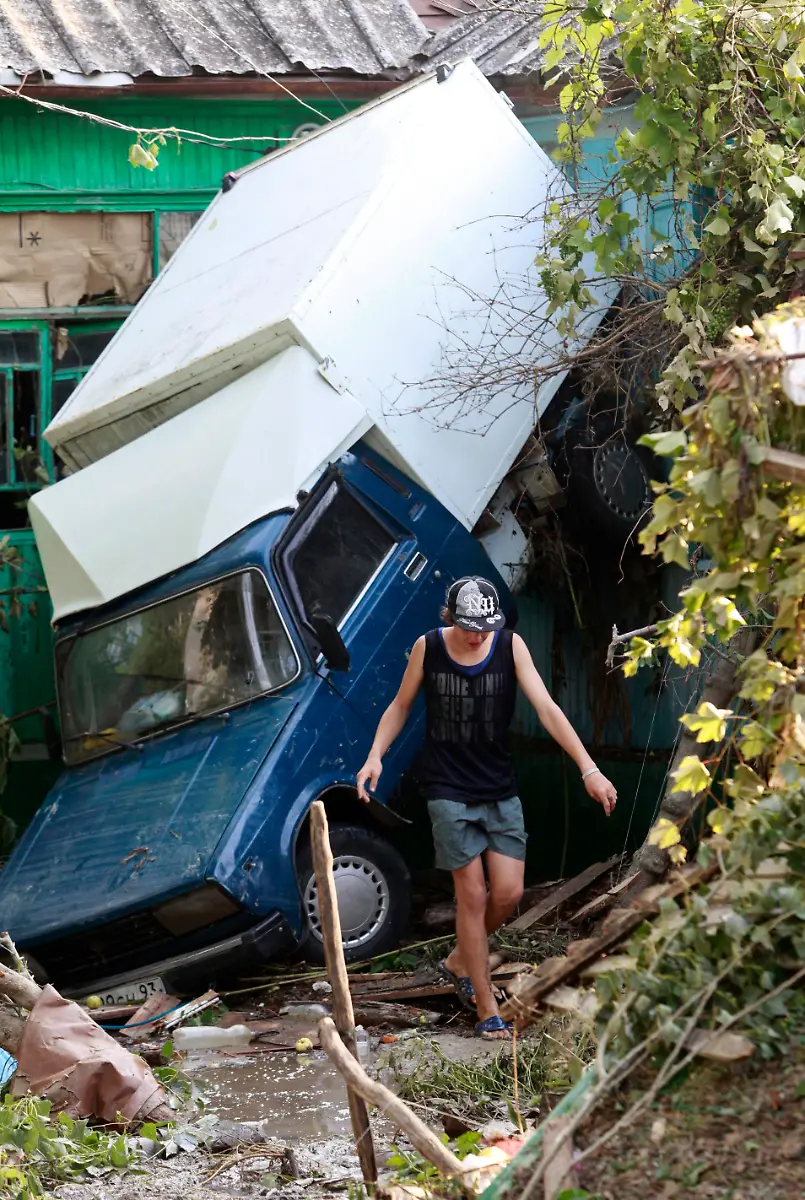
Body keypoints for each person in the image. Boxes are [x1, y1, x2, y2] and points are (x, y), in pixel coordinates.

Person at [356, 576, 617, 1040]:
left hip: (498, 786)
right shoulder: (429, 648)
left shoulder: (510, 647)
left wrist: (588, 768)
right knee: (472, 896)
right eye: (470, 626)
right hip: (446, 787)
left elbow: (547, 708)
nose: (478, 636)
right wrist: (375, 754)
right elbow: (400, 706)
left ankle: (461, 956)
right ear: (451, 617)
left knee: (508, 894)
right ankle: (485, 1006)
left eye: (486, 627)